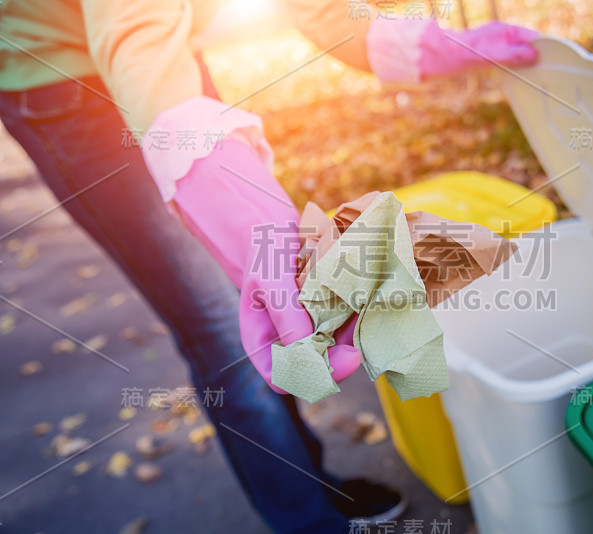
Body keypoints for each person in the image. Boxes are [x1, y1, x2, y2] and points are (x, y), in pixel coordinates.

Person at [0, 1, 538, 532]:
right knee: (220, 323)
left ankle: (311, 483)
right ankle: (305, 521)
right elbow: (129, 26)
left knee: (262, 304)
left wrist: (424, 44)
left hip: (166, 52)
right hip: (64, 83)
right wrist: (226, 187)